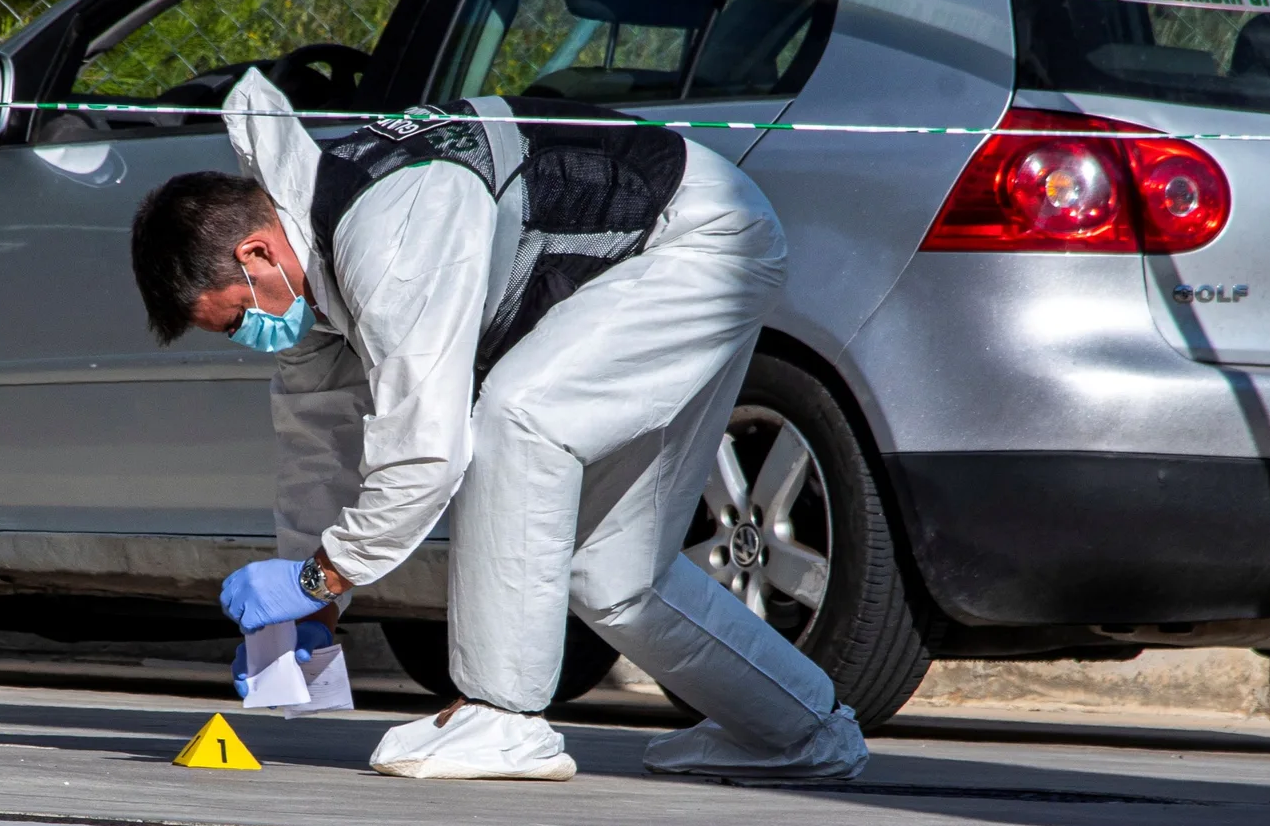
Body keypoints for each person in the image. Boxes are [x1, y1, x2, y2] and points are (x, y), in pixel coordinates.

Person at [128, 68, 868, 781]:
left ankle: (505, 716)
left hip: (701, 241)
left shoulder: (387, 228)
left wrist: (317, 574)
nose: (247, 336)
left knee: (518, 417)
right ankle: (799, 732)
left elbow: (427, 452)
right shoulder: (314, 275)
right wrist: (314, 604)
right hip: (684, 241)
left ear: (256, 252)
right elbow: (319, 452)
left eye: (234, 320)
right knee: (614, 574)